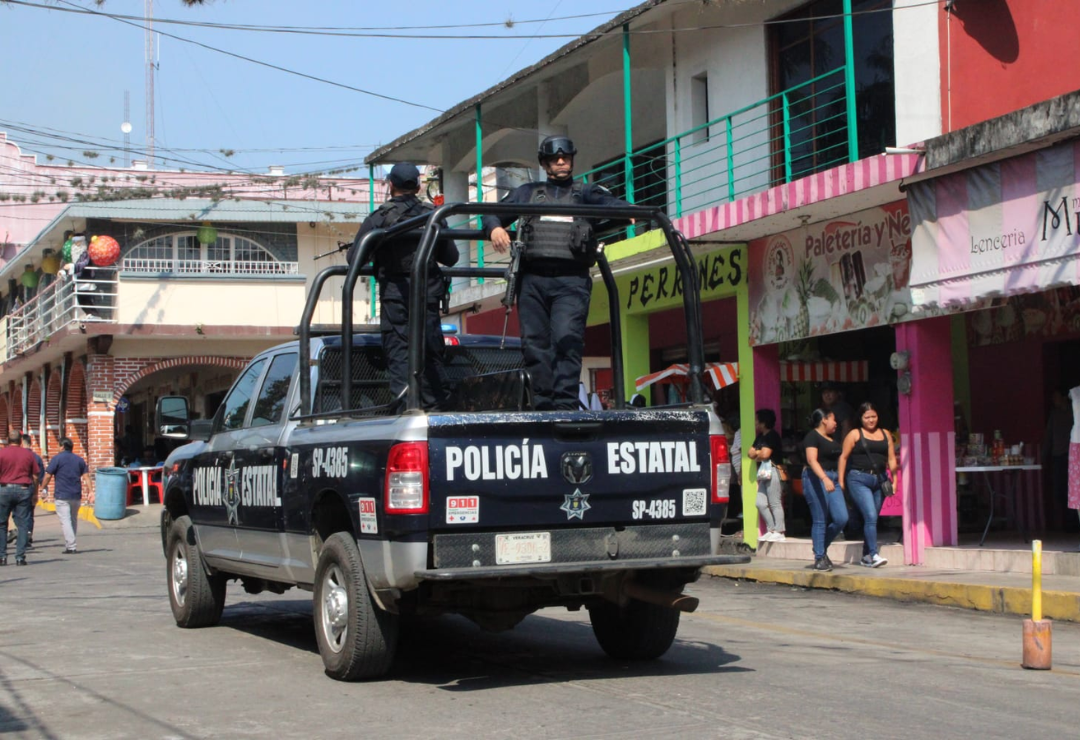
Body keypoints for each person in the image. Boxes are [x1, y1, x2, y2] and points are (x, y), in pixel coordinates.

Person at [483, 135, 632, 410]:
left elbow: (615, 205)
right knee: (535, 345)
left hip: (570, 280)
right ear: (545, 163)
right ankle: (543, 406)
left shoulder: (585, 192)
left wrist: (631, 212)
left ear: (572, 159)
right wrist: (495, 227)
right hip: (533, 280)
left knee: (567, 339)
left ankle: (564, 406)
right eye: (555, 158)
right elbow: (491, 212)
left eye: (565, 157)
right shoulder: (528, 192)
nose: (561, 162)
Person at [348, 162, 459, 411]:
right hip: (427, 298)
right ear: (418, 186)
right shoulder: (434, 216)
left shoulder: (379, 218)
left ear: (391, 186)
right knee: (430, 353)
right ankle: (435, 413)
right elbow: (451, 257)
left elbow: (353, 259)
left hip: (395, 299)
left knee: (400, 356)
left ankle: (405, 413)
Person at [838, 402, 898, 568]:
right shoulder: (854, 434)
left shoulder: (885, 434)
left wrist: (896, 480)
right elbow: (843, 457)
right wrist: (841, 481)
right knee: (870, 515)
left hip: (880, 479)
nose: (871, 420)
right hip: (858, 478)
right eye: (867, 417)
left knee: (872, 518)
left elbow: (892, 458)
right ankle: (873, 554)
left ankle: (866, 556)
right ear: (861, 418)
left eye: (874, 416)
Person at [802, 409, 849, 572]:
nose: (836, 423)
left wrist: (839, 479)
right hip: (815, 478)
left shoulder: (832, 438)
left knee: (841, 518)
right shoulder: (812, 437)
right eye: (833, 420)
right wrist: (824, 478)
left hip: (833, 478)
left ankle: (821, 547)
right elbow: (811, 460)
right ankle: (819, 557)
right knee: (820, 519)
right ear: (824, 420)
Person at [0, 429, 42, 566]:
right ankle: (20, 557)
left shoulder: (1, 453)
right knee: (23, 524)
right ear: (20, 441)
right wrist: (35, 493)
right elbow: (35, 475)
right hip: (24, 489)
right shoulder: (28, 455)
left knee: (2, 524)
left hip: (4, 489)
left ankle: (2, 557)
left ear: (7, 440)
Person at [41, 437, 90, 554]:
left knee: (65, 520)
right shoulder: (79, 460)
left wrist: (43, 487)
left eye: (59, 446)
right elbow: (86, 477)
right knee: (73, 519)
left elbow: (48, 475)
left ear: (62, 446)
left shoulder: (57, 459)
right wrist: (91, 491)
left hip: (62, 494)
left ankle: (71, 546)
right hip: (76, 494)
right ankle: (70, 544)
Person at [748, 408, 785, 542]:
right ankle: (771, 529)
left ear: (764, 422)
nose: (755, 422)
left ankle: (780, 531)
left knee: (775, 502)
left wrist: (758, 453)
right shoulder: (760, 437)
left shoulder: (772, 436)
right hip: (764, 473)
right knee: (760, 503)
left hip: (774, 471)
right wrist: (760, 453)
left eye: (757, 420)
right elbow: (750, 454)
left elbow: (765, 455)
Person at [1043, 388, 1074, 532]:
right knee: (1060, 491)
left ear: (1063, 397)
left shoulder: (1073, 412)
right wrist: (1044, 456)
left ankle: (1074, 523)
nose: (1054, 401)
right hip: (1057, 457)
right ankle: (1066, 524)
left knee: (1072, 491)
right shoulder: (1054, 415)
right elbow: (1048, 436)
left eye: (1056, 397)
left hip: (1072, 456)